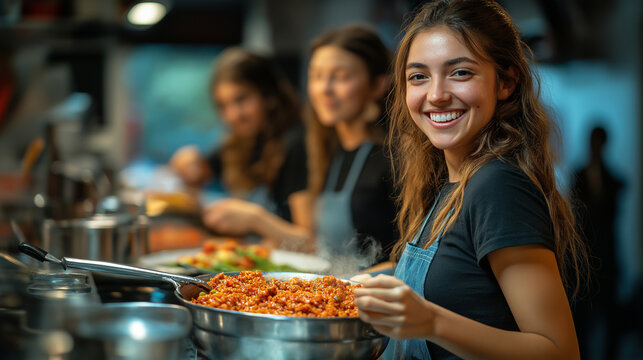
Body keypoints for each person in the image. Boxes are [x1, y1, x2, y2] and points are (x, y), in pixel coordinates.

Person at [351, 1, 589, 359]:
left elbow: (559, 351)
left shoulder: (498, 186)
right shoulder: (452, 182)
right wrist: (372, 281)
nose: (436, 94)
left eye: (460, 73)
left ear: (506, 82)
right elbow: (460, 280)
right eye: (418, 76)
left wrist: (431, 321)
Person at [200, 25, 398, 267]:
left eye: (341, 77)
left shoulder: (394, 159)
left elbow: (408, 262)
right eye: (317, 76)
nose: (324, 89)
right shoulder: (325, 153)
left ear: (378, 85)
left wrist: (255, 220)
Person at [169, 47, 308, 228]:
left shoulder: (295, 144)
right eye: (223, 106)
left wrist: (255, 219)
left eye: (242, 99)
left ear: (268, 95)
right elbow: (199, 169)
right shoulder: (240, 141)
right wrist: (187, 161)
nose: (234, 115)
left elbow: (309, 242)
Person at [571, 126, 624, 359]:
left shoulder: (614, 180)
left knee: (611, 320)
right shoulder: (579, 175)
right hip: (586, 260)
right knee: (582, 322)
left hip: (607, 258)